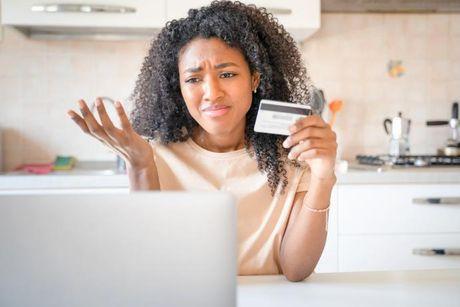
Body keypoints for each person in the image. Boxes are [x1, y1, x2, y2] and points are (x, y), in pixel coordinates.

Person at [67, 0, 337, 282]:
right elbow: (148, 266)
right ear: (179, 89)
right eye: (194, 79)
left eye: (227, 74)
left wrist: (323, 177)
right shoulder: (154, 156)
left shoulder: (293, 153)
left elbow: (296, 269)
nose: (212, 92)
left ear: (254, 79)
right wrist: (141, 167)